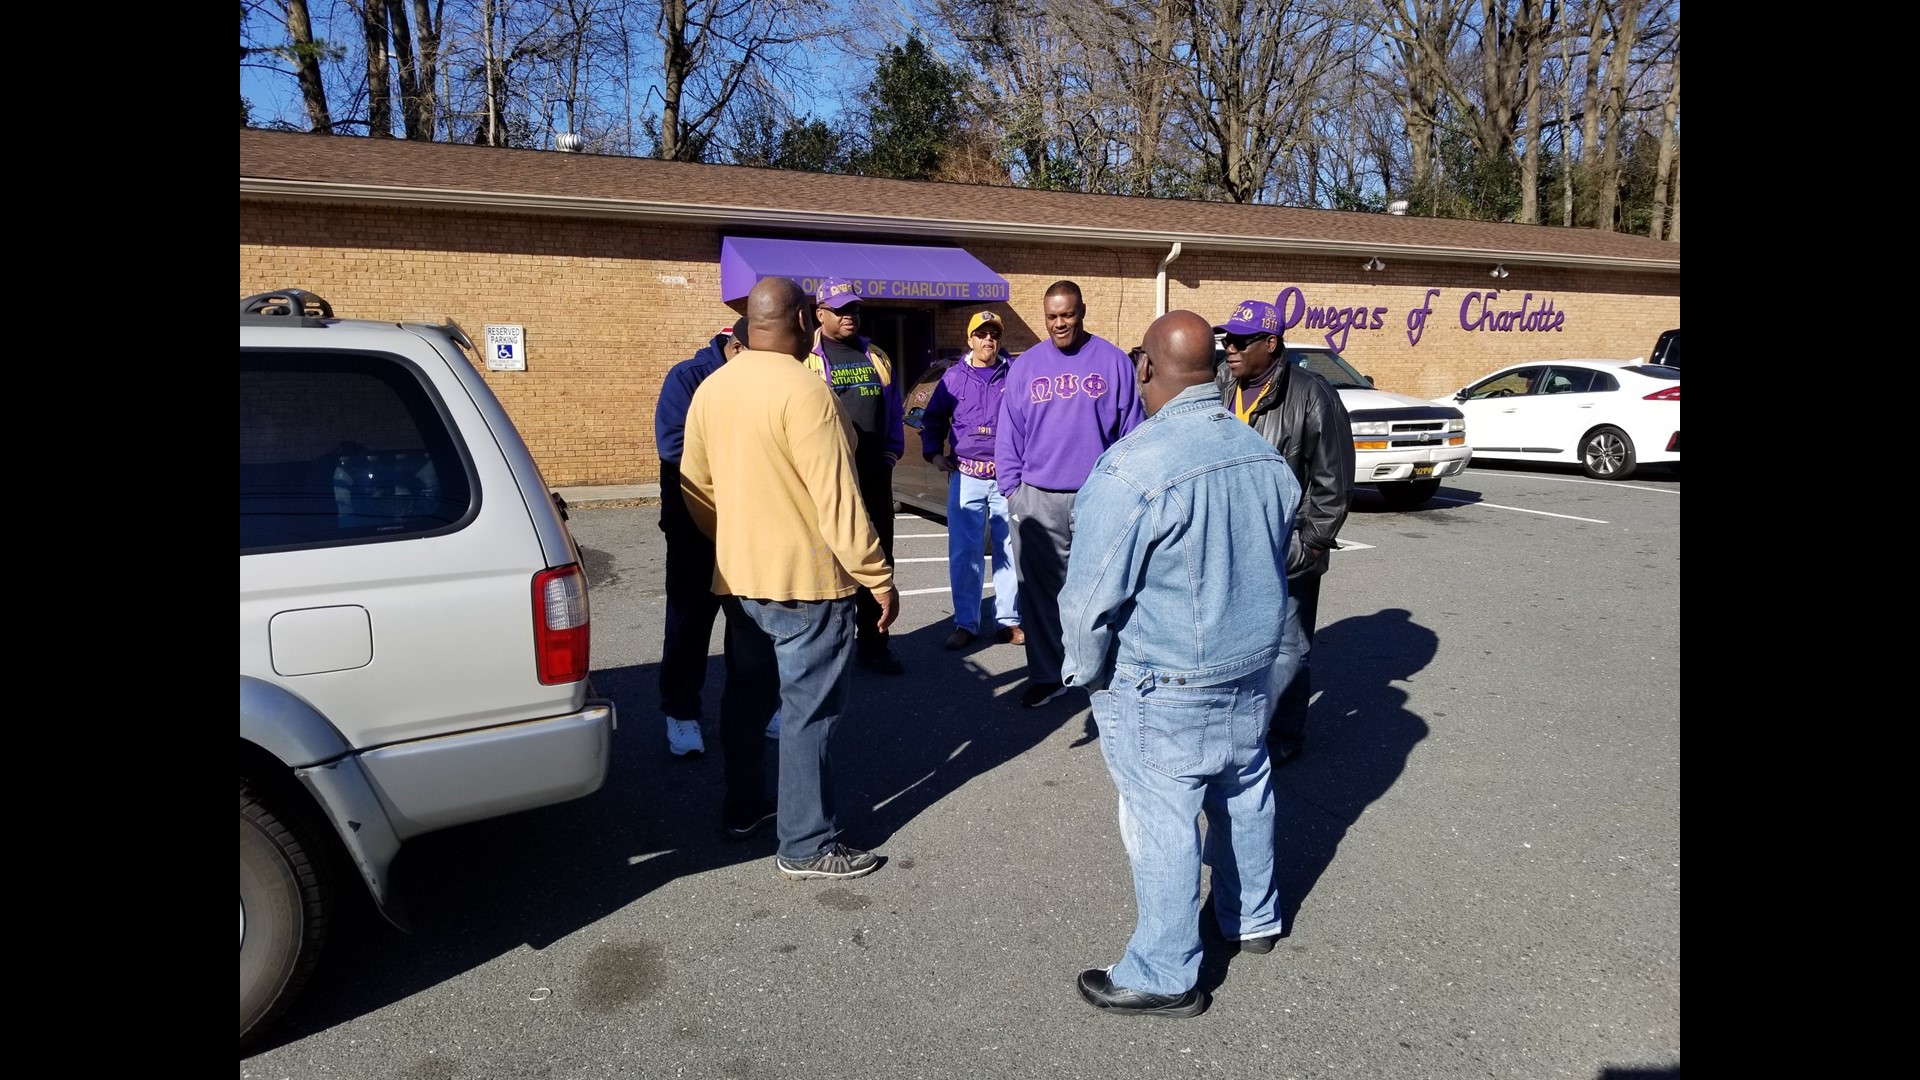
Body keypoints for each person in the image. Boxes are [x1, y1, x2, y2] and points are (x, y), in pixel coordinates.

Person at [1059, 309, 1302, 1018]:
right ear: (1217, 369)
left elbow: (1089, 598)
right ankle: (1251, 916)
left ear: (1146, 369)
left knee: (1163, 815)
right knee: (1243, 789)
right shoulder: (1264, 457)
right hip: (1249, 665)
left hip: (1164, 676)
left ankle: (1165, 972)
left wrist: (1085, 671)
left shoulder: (1132, 468)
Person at [679, 276, 899, 881]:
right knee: (809, 711)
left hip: (740, 576)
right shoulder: (806, 391)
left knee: (747, 696)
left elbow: (695, 488)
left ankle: (744, 807)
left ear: (752, 323)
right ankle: (806, 842)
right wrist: (878, 577)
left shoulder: (713, 389)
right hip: (806, 579)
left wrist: (732, 538)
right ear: (804, 319)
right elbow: (838, 499)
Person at [1212, 299, 1354, 765]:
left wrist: (1310, 544)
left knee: (1288, 648)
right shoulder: (1219, 385)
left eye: (1239, 340)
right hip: (1229, 541)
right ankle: (1238, 726)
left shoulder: (1314, 396)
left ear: (1271, 344)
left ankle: (1280, 736)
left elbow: (1333, 483)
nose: (1229, 348)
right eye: (1226, 339)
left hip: (1286, 545)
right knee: (1234, 641)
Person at [995, 280, 1144, 707]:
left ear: (1082, 311)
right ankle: (1046, 674)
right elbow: (1010, 433)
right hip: (1037, 498)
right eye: (1052, 316)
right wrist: (1012, 491)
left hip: (1097, 497)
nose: (1060, 324)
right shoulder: (1025, 367)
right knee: (1039, 593)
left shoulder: (1114, 363)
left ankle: (1102, 671)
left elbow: (1130, 434)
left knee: (1105, 589)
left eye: (1068, 314)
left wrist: (1122, 493)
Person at [655, 318, 779, 754]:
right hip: (694, 525)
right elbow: (672, 445)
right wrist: (744, 457)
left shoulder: (756, 377)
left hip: (745, 524)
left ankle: (757, 708)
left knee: (749, 623)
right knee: (689, 622)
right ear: (735, 346)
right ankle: (681, 713)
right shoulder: (687, 377)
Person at [805, 277, 908, 675]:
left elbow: (893, 410)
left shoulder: (876, 356)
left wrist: (888, 455)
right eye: (841, 310)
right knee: (830, 564)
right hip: (830, 482)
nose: (850, 316)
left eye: (855, 309)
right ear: (820, 314)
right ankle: (831, 651)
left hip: (873, 479)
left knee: (879, 560)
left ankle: (876, 646)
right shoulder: (807, 358)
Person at [919, 309, 1022, 651]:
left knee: (1009, 551)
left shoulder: (1014, 375)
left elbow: (1030, 420)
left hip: (1006, 477)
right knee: (966, 553)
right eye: (982, 334)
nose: (988, 339)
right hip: (966, 476)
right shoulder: (953, 378)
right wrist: (933, 453)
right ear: (970, 339)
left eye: (994, 334)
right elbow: (931, 419)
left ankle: (1008, 621)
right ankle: (966, 622)